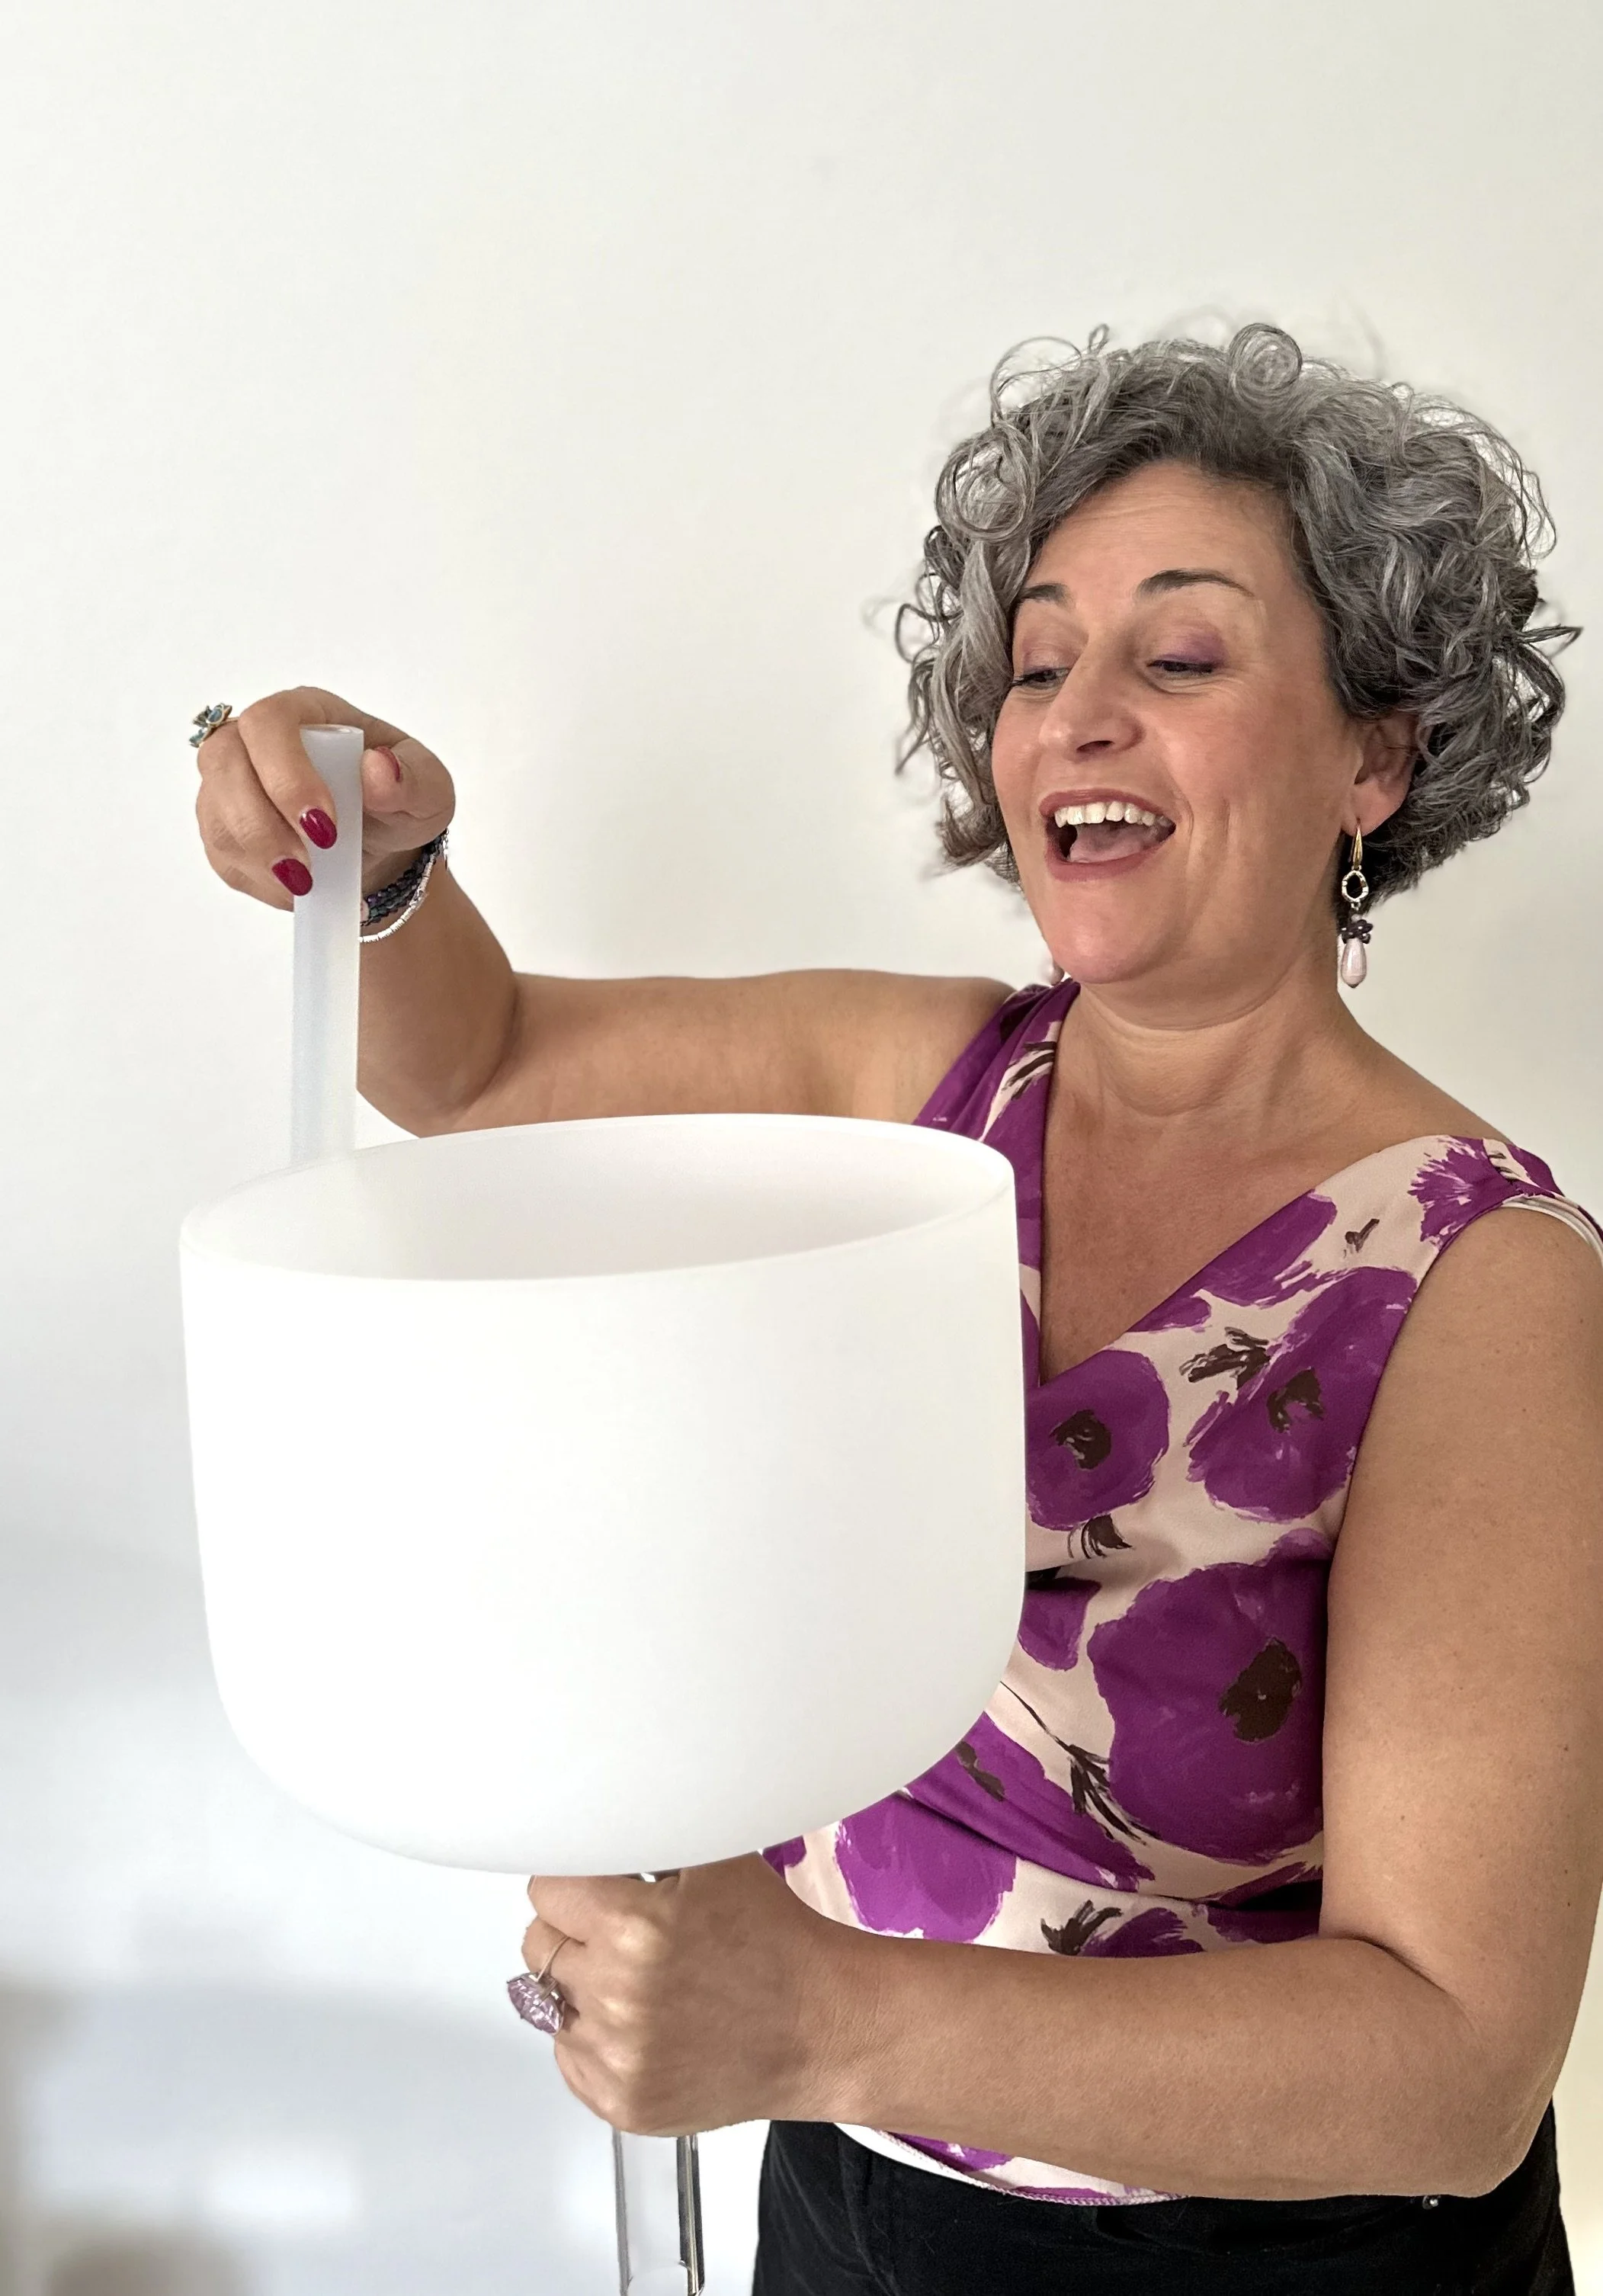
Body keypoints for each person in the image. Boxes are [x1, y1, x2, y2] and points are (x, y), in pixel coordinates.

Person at [193, 324, 1603, 2294]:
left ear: (1376, 751)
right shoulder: (922, 1088)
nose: (1077, 718)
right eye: (1037, 665)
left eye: (1179, 657)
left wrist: (810, 2018)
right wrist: (381, 862)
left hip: (1260, 2262)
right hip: (846, 2195)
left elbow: (1453, 2065)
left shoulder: (1484, 1283)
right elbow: (475, 1066)